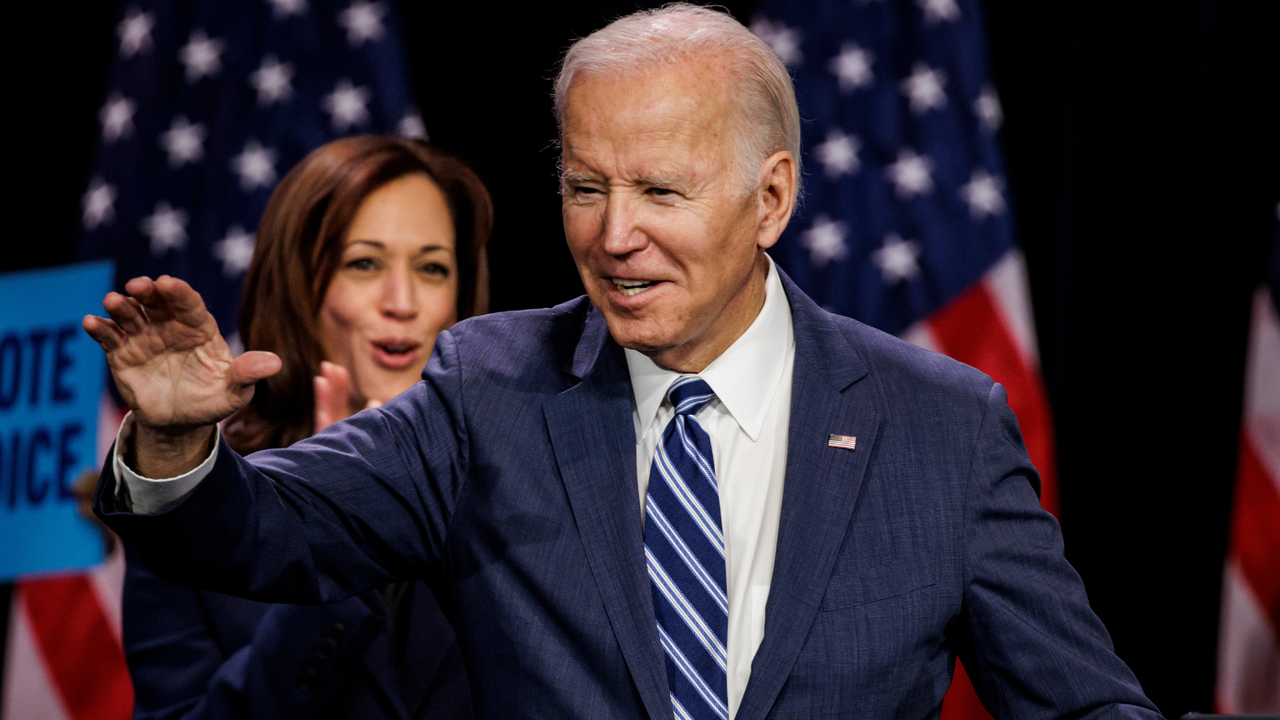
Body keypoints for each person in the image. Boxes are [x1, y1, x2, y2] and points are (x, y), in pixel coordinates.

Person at [87, 6, 1164, 719]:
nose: (612, 236)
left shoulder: (938, 427)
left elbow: (1079, 705)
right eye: (586, 187)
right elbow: (264, 531)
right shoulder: (487, 389)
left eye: (659, 192)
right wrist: (179, 440)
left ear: (771, 199)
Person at [120, 136, 491, 720]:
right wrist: (340, 517)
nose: (404, 301)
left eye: (432, 268)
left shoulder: (518, 482)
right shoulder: (198, 509)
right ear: (298, 289)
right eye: (364, 263)